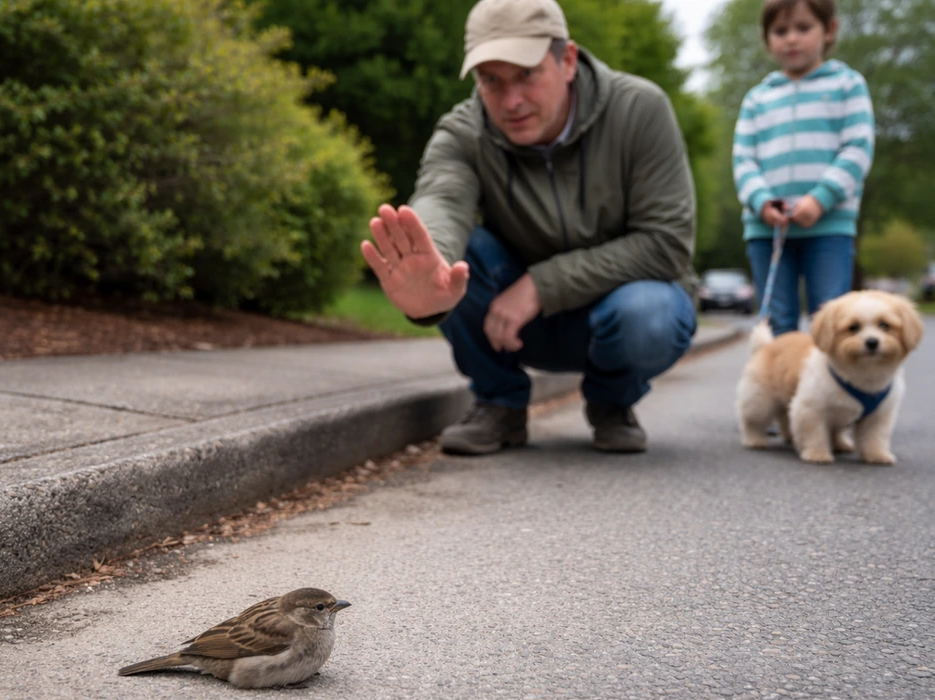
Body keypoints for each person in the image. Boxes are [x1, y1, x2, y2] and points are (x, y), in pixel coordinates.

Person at [360, 0, 699, 456]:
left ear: (568, 61)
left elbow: (667, 244)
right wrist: (431, 275)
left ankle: (611, 401)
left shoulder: (640, 110)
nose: (511, 101)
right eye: (491, 81)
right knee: (457, 261)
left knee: (650, 314)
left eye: (526, 74)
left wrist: (540, 285)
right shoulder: (463, 132)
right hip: (512, 323)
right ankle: (499, 402)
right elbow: (441, 200)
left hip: (616, 312)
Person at [733, 0, 874, 336]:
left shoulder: (847, 84)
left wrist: (820, 199)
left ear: (829, 30)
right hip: (768, 231)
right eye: (780, 31)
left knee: (831, 321)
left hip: (829, 227)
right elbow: (743, 159)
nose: (791, 39)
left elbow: (857, 149)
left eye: (803, 28)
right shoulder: (757, 98)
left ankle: (826, 389)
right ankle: (782, 389)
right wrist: (762, 202)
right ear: (767, 39)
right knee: (777, 324)